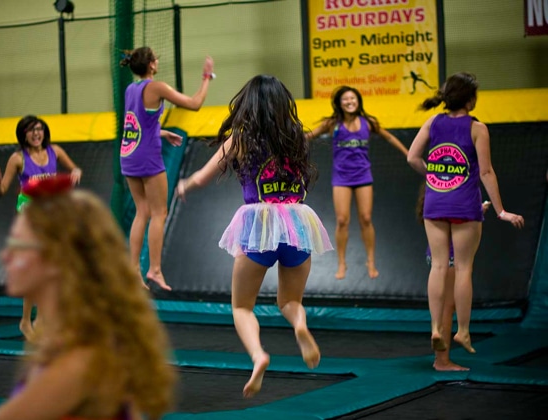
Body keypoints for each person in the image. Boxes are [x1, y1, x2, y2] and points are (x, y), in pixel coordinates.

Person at [176, 75, 333, 398]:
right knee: (290, 301)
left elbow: (204, 177)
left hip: (258, 225)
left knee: (242, 307)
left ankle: (259, 355)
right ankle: (300, 325)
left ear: (248, 105)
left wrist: (186, 184)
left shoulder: (241, 138)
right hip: (296, 222)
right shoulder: (297, 137)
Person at [0, 175, 176, 420]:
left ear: (55, 257)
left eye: (18, 245)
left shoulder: (77, 362)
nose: (4, 256)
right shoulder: (70, 339)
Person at [407, 72, 524, 354]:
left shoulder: (433, 122)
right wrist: (501, 210)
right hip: (464, 205)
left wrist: (435, 177)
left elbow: (412, 157)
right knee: (463, 268)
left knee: (437, 265)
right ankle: (462, 332)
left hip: (435, 204)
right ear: (471, 100)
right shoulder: (477, 128)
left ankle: (436, 328)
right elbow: (485, 171)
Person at [119, 47, 214, 291]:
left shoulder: (131, 89)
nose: (158, 61)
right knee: (159, 213)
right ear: (151, 65)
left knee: (142, 211)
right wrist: (206, 78)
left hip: (128, 154)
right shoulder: (157, 87)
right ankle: (155, 269)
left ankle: (132, 269)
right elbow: (194, 104)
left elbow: (138, 123)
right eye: (155, 59)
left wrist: (161, 132)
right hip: (147, 157)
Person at [0, 115, 82, 341]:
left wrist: (76, 171)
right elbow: (2, 191)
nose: (36, 133)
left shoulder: (55, 151)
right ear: (24, 135)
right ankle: (27, 321)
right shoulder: (17, 159)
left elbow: (74, 168)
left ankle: (41, 319)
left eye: (39, 129)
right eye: (31, 130)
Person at [306, 86, 408, 279]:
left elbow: (389, 137)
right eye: (345, 99)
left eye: (353, 98)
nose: (349, 101)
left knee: (366, 218)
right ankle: (342, 263)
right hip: (341, 178)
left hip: (363, 176)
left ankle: (371, 260)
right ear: (339, 103)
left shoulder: (368, 123)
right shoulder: (332, 123)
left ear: (358, 101)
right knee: (342, 220)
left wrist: (408, 153)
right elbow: (309, 136)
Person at [416, 182, 491, 371]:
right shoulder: (457, 194)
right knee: (447, 309)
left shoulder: (435, 193)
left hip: (434, 257)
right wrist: (476, 213)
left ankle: (441, 352)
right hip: (449, 259)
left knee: (447, 307)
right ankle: (442, 360)